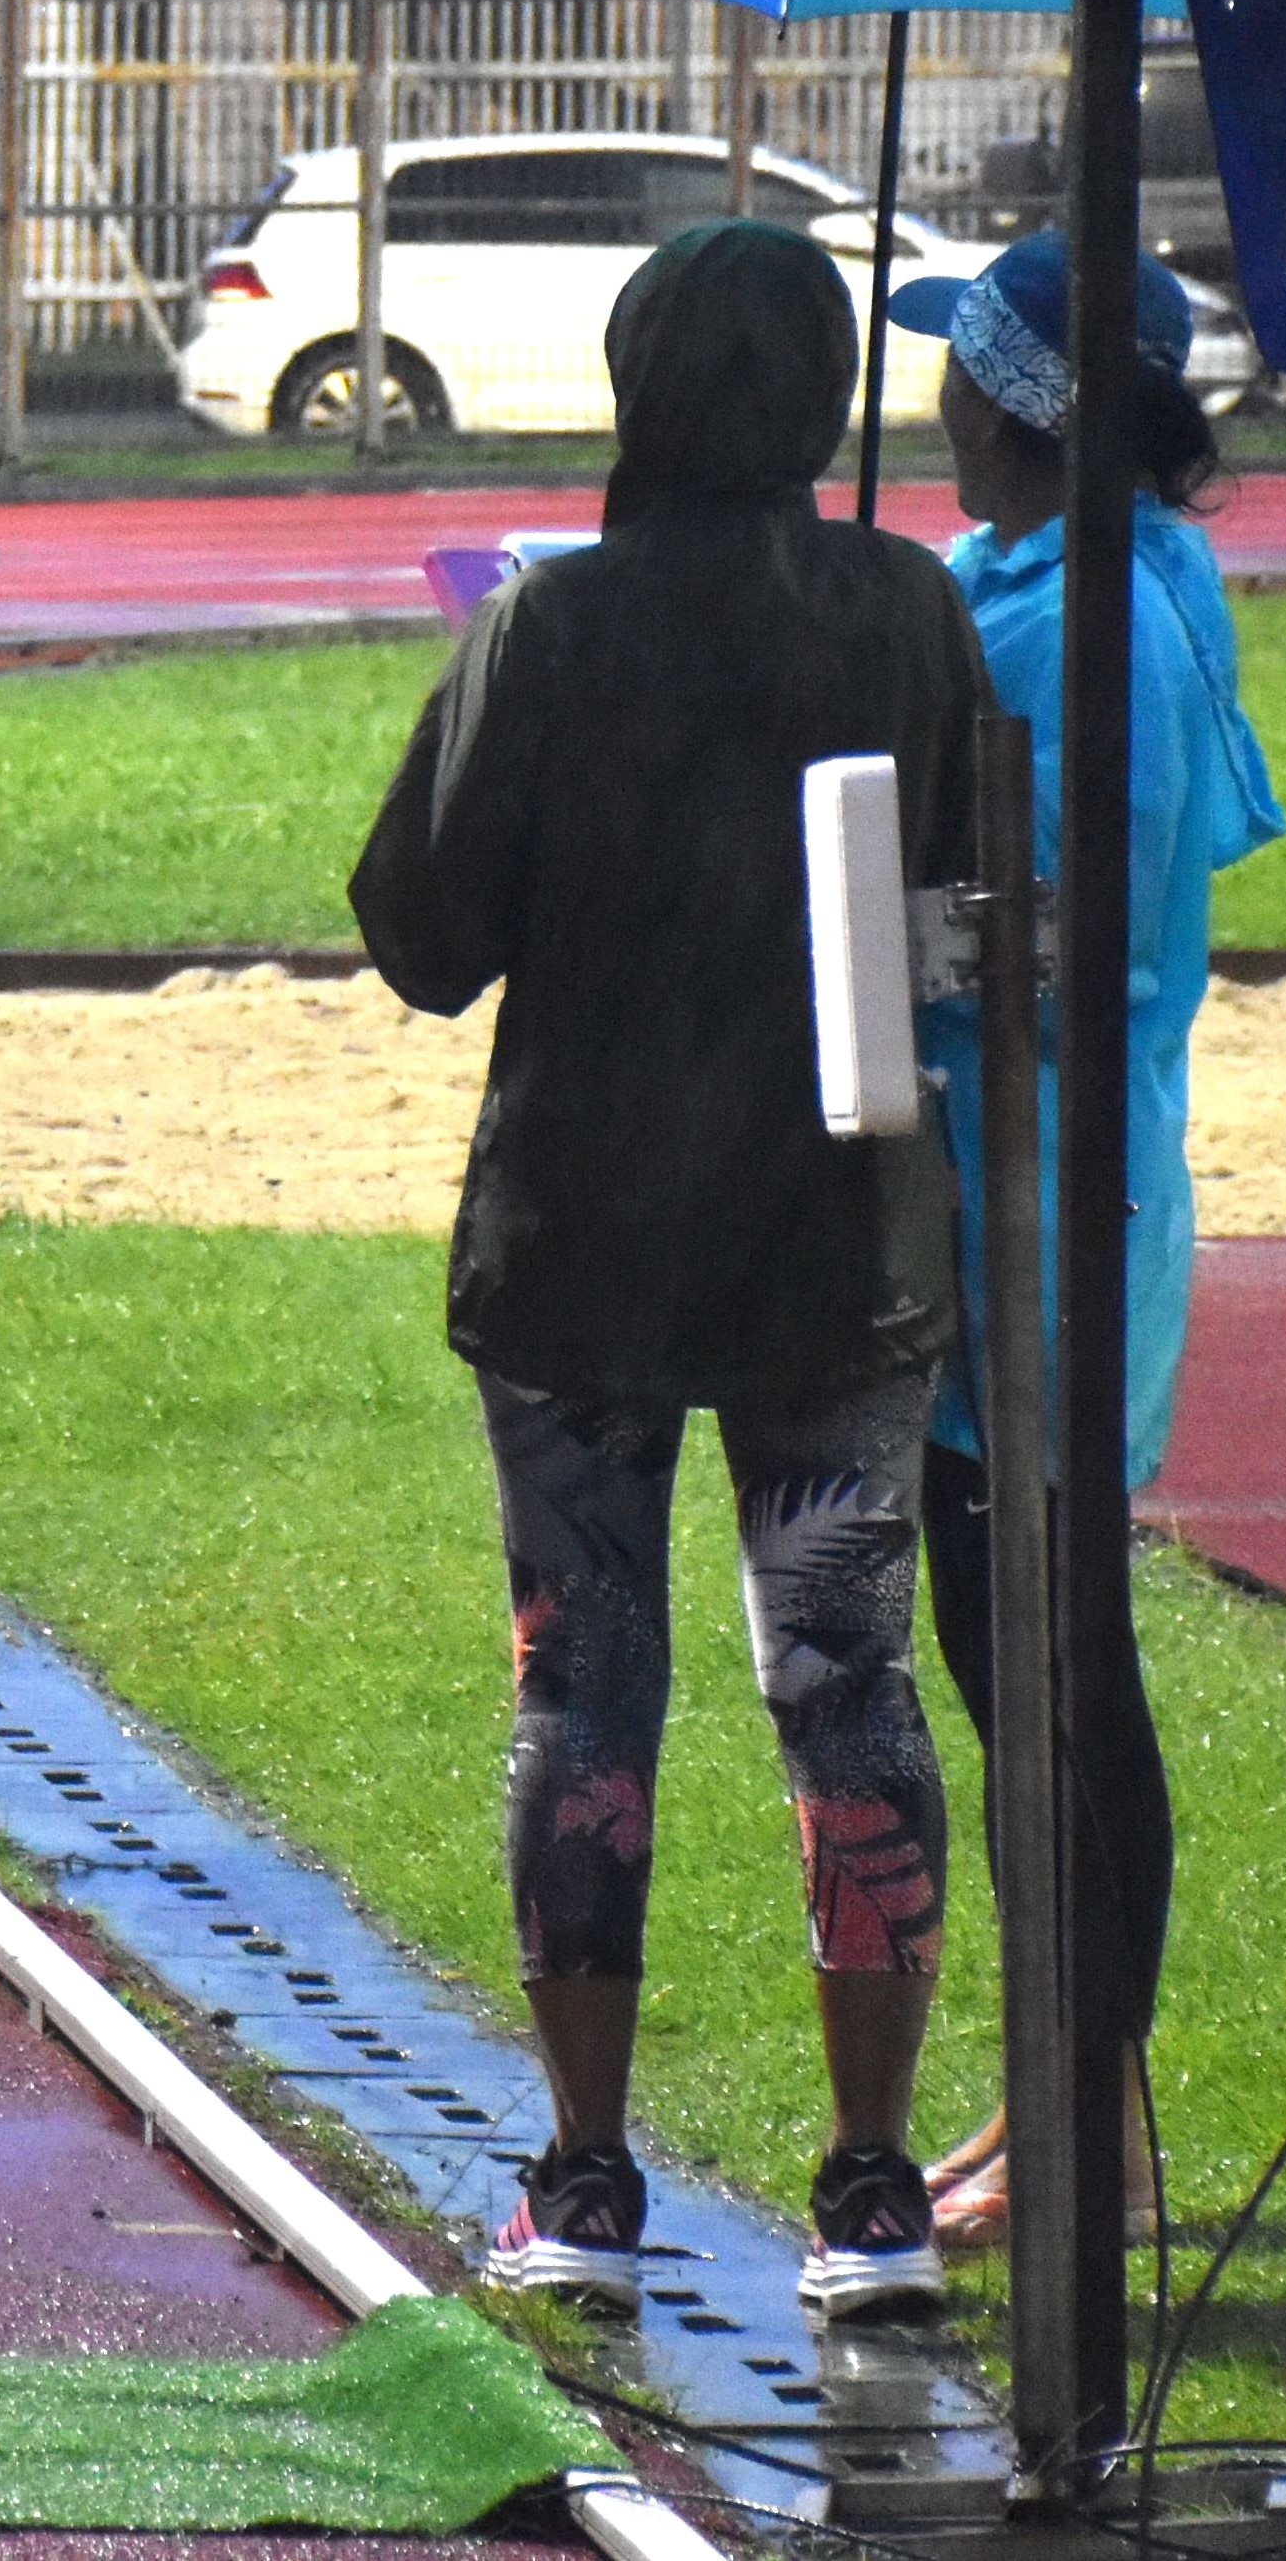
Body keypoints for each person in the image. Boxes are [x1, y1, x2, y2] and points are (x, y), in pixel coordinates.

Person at [351, 218, 995, 2324]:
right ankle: (873, 2187)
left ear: (635, 386)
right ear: (822, 399)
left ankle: (586, 2174)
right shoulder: (908, 607)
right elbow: (973, 902)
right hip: (841, 1236)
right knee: (849, 1684)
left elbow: (421, 935)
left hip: (585, 1243)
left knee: (585, 1689)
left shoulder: (549, 622)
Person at [885, 233, 1284, 2255]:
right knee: (1013, 1661)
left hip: (1045, 1198)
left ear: (1017, 405)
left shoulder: (1091, 618)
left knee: (1050, 1674)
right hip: (1014, 1181)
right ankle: (1065, 2075)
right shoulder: (1054, 574)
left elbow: (1077, 929)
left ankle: (1095, 2116)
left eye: (956, 371)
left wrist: (858, 930)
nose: (931, 404)